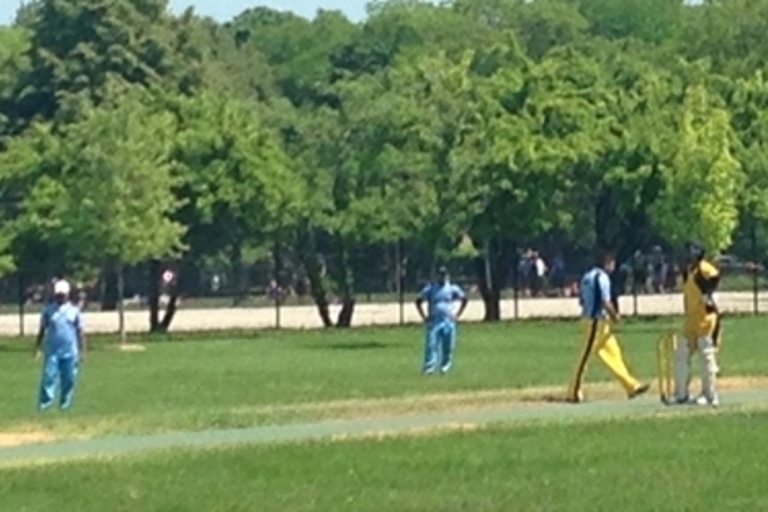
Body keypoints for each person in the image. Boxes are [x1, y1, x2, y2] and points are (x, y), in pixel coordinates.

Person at [567, 249, 650, 403]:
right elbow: (606, 301)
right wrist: (615, 315)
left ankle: (631, 386)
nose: (614, 266)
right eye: (612, 262)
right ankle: (573, 392)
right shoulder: (602, 277)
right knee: (584, 358)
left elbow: (582, 301)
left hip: (594, 321)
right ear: (606, 262)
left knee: (614, 355)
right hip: (595, 322)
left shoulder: (586, 276)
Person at [669, 241, 721, 406]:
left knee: (706, 356)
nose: (686, 256)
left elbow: (715, 278)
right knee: (681, 354)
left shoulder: (703, 269)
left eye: (690, 252)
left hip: (706, 319)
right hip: (691, 320)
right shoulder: (687, 272)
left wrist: (708, 290)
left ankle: (710, 395)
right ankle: (682, 394)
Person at [34, 279, 85, 411]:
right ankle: (45, 404)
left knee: (69, 379)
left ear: (67, 295)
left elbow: (80, 332)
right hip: (52, 351)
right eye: (58, 295)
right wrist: (38, 348)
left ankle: (65, 404)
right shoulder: (49, 310)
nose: (60, 297)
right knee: (48, 377)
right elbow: (42, 330)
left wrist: (82, 351)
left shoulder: (74, 311)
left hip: (70, 351)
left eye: (62, 295)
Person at [415, 266, 468, 375]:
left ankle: (445, 368)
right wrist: (424, 317)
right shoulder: (431, 288)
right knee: (431, 346)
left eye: (444, 274)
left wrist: (457, 315)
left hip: (448, 321)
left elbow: (464, 299)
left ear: (447, 276)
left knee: (447, 346)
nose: (442, 277)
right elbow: (418, 300)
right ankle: (429, 369)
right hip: (434, 322)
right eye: (440, 274)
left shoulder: (452, 288)